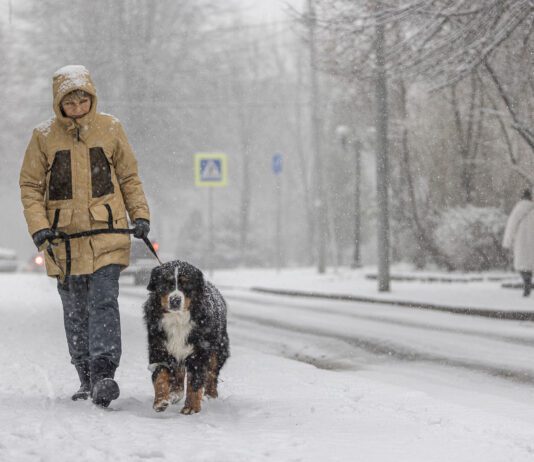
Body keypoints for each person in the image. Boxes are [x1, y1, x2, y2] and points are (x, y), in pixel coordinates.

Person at [19, 65, 151, 407]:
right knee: (76, 311)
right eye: (70, 102)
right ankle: (85, 376)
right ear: (59, 103)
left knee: (104, 302)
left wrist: (140, 215)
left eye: (83, 101)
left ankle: (105, 372)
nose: (77, 108)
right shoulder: (44, 136)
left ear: (91, 98)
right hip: (64, 242)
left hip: (108, 235)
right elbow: (30, 186)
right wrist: (39, 227)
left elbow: (129, 177)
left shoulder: (110, 129)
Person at [503, 188, 534, 297]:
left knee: (524, 266)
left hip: (522, 242)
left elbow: (511, 226)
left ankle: (527, 285)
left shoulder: (518, 209)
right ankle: (528, 285)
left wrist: (507, 242)